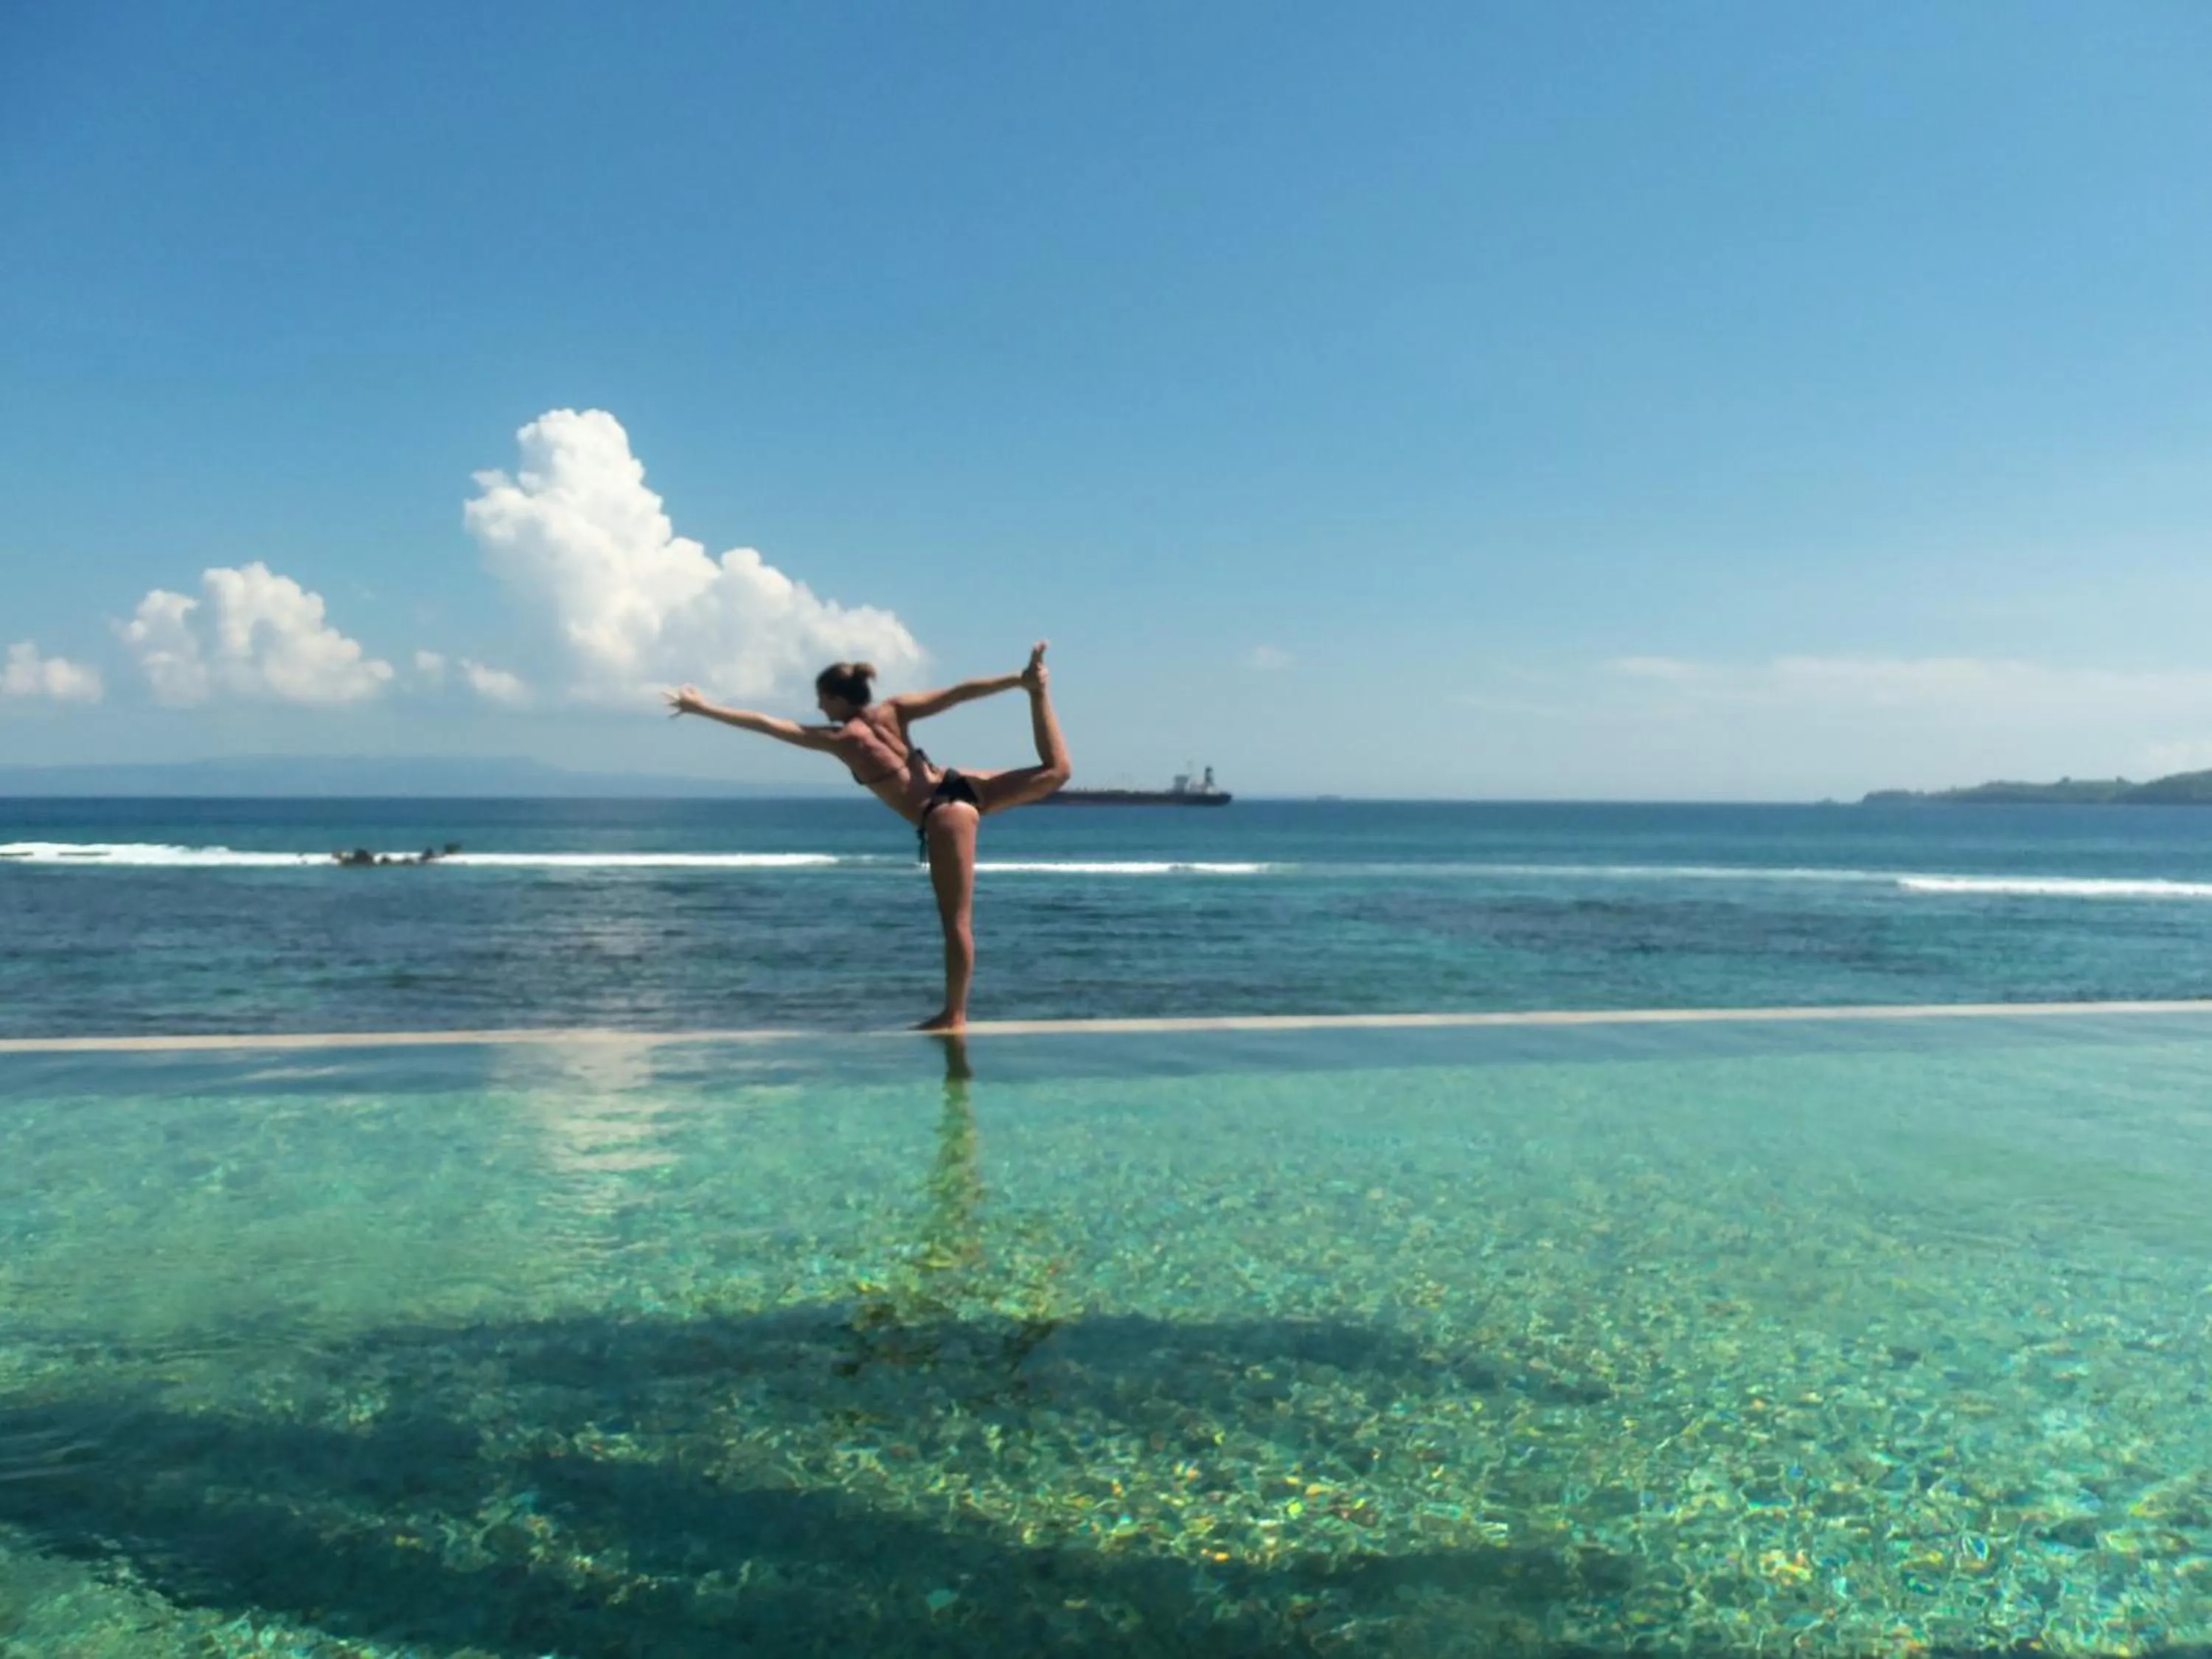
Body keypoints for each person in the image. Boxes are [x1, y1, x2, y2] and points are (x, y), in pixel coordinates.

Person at [664, 641, 1071, 1029]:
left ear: (838, 699)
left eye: (821, 699)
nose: (818, 707)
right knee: (1056, 771)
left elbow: (771, 726)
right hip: (959, 782)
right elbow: (957, 694)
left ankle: (954, 1014)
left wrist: (703, 708)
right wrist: (1016, 681)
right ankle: (1038, 692)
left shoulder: (842, 740)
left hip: (944, 814)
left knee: (957, 922)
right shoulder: (895, 710)